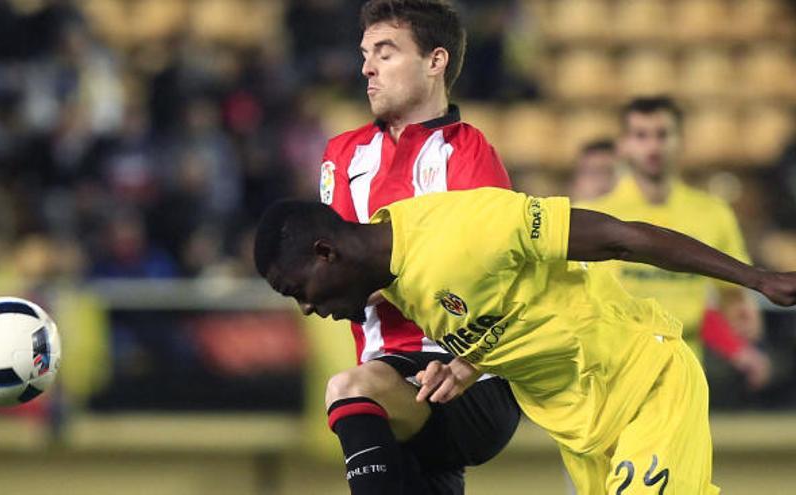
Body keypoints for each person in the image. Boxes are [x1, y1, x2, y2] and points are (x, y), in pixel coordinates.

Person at [253, 188, 796, 494]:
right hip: (583, 433)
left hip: (643, 382)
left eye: (297, 290)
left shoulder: (465, 230)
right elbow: (502, 307)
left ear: (326, 252)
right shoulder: (392, 271)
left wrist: (755, 278)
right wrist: (467, 361)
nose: (306, 307)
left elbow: (619, 237)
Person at [317, 1, 518, 493]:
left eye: (385, 53)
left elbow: (495, 271)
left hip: (469, 374)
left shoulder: (467, 153)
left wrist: (372, 279)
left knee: (348, 389)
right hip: (392, 382)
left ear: (435, 61)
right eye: (365, 53)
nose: (366, 67)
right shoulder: (343, 155)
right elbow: (336, 271)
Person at [581, 96, 771, 391]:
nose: (653, 146)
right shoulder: (595, 216)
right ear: (623, 145)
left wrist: (742, 317)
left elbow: (731, 294)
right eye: (641, 136)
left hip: (683, 376)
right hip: (611, 376)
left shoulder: (712, 213)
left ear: (681, 141)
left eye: (662, 134)